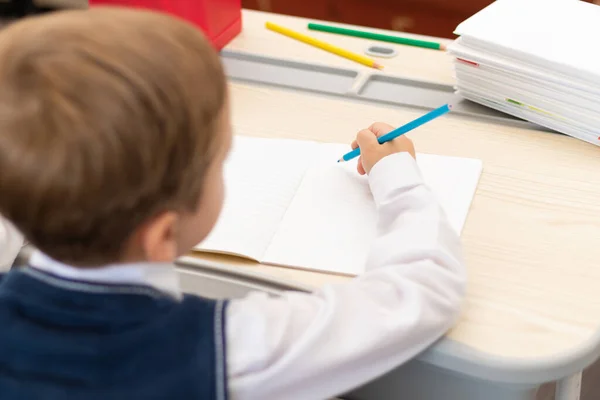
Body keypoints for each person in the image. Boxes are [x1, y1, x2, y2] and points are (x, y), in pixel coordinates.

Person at [0, 7, 466, 400]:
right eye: (221, 160)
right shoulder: (231, 344)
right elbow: (423, 291)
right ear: (163, 235)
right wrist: (397, 177)